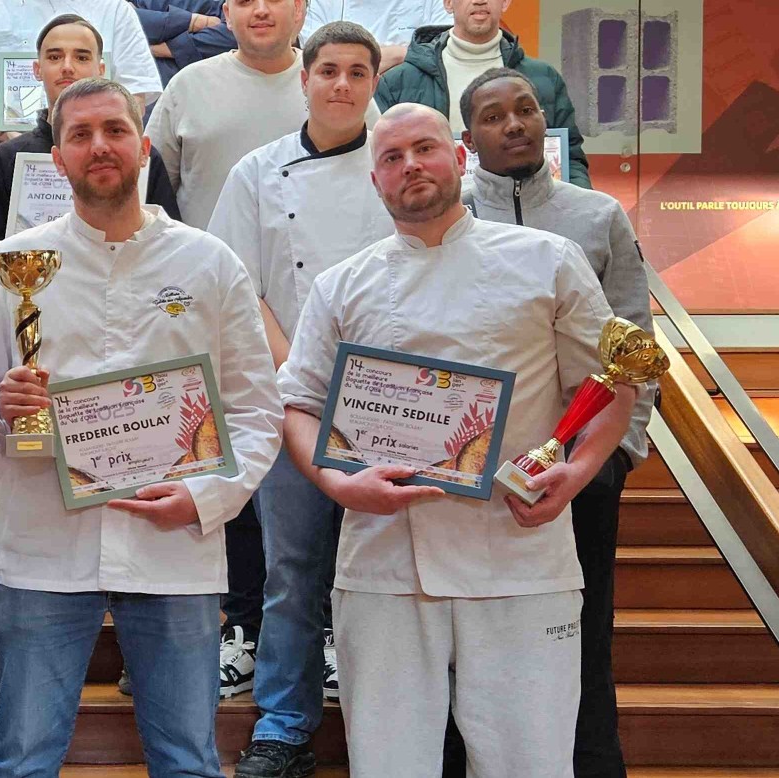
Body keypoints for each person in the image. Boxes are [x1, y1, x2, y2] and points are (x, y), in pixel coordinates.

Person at [274, 104, 638, 776]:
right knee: (388, 765)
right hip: (383, 564)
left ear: (460, 158)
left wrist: (579, 471)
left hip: (519, 554)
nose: (410, 165)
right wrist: (336, 483)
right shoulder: (342, 285)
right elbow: (296, 405)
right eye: (391, 158)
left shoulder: (547, 261)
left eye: (425, 148)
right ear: (375, 182)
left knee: (530, 764)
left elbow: (613, 388)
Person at [0, 78, 283, 778]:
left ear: (143, 146)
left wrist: (205, 500)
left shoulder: (209, 263)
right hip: (44, 543)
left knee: (187, 761)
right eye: (80, 135)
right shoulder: (6, 267)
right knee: (22, 761)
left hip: (171, 540)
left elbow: (256, 409)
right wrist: (3, 404)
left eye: (114, 129)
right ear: (57, 158)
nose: (99, 146)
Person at [205, 21, 391, 778]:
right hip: (293, 401)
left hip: (391, 404)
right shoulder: (257, 170)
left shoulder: (399, 158)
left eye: (357, 72)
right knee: (291, 573)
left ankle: (391, 721)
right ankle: (284, 725)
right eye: (329, 71)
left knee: (386, 572)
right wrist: (307, 372)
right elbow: (239, 286)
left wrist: (367, 383)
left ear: (373, 82)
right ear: (305, 79)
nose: (342, 84)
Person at [457, 66, 651, 778]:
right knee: (469, 629)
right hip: (470, 470)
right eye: (495, 116)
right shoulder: (448, 220)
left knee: (579, 629)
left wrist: (616, 455)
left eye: (526, 110)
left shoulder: (598, 216)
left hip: (582, 465)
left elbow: (632, 344)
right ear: (468, 136)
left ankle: (591, 765)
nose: (514, 125)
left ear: (547, 121)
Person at [0, 15, 182, 298]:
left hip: (134, 295)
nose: (68, 67)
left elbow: (168, 240)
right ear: (37, 69)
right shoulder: (8, 157)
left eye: (82, 57)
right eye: (55, 57)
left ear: (101, 68)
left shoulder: (138, 156)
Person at [148, 0, 364, 229]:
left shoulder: (338, 86)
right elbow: (149, 189)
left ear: (298, 8)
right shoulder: (187, 86)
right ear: (228, 15)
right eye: (245, 2)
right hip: (206, 262)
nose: (261, 10)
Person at [372, 0, 591, 187]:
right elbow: (381, 160)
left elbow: (571, 157)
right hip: (432, 221)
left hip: (528, 214)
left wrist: (581, 213)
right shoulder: (397, 83)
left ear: (505, 2)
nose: (479, 0)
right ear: (448, 3)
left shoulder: (544, 78)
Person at [0, 0, 163, 141]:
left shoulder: (114, 9)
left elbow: (134, 94)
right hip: (13, 158)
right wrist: (18, 139)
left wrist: (96, 138)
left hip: (98, 153)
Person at [301, 0, 447, 72]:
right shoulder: (320, 3)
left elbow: (443, 53)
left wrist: (401, 54)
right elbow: (317, 59)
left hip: (415, 98)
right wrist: (399, 54)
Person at [132, 0, 234, 83]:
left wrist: (159, 48)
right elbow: (122, 17)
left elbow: (233, 31)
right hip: (137, 72)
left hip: (193, 80)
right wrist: (193, 21)